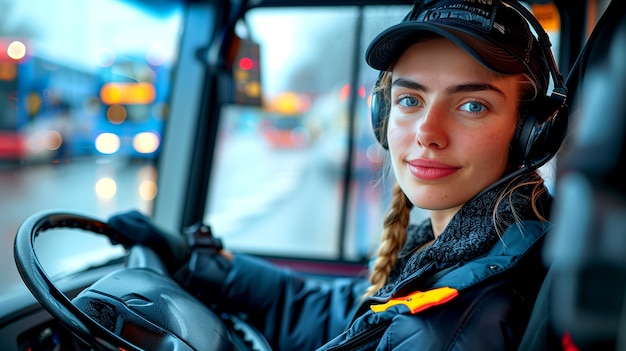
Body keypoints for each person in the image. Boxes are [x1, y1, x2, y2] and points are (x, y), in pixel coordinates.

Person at [108, 0, 568, 349]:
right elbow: (336, 311)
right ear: (383, 116)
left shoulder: (451, 323)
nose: (428, 132)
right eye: (411, 100)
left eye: (472, 105)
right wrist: (200, 261)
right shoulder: (458, 254)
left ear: (531, 133)